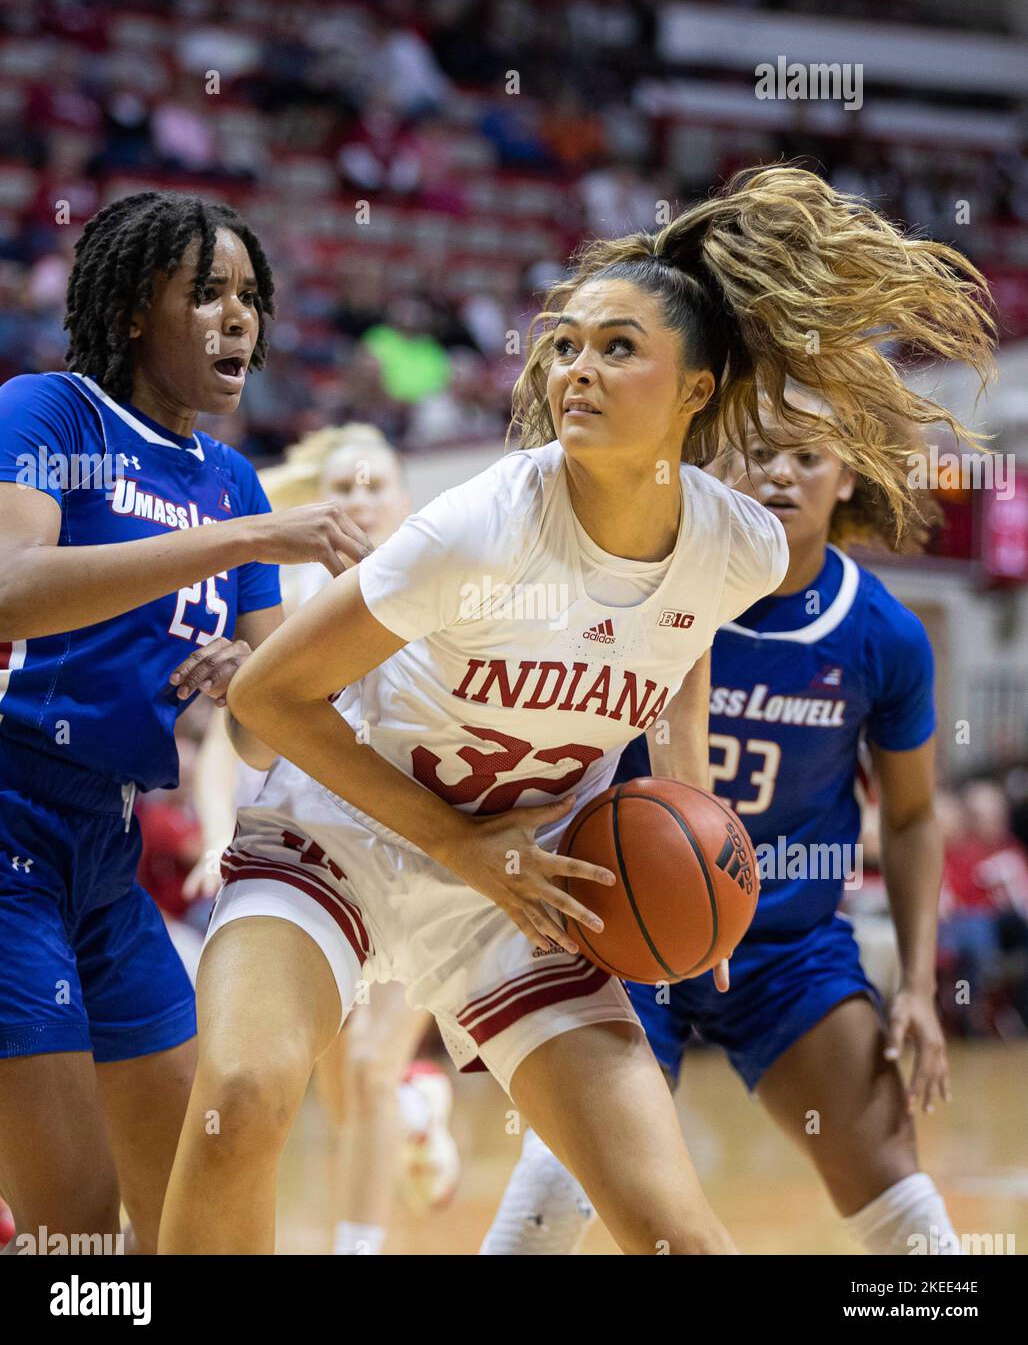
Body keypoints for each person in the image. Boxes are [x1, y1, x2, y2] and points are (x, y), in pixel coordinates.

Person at [158, 166, 993, 1255]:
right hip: (346, 829)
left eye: (615, 348)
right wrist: (464, 845)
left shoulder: (732, 543)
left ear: (694, 392)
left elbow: (681, 642)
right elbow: (273, 695)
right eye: (564, 344)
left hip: (528, 880)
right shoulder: (482, 526)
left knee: (674, 1234)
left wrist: (692, 812)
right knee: (241, 1098)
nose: (573, 369)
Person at [483, 393, 968, 1255]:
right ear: (718, 464)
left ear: (848, 471)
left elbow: (915, 815)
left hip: (789, 946)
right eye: (758, 451)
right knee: (562, 1183)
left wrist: (923, 989)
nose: (780, 472)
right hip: (624, 930)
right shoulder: (650, 593)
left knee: (900, 1191)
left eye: (806, 456)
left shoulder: (884, 635)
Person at [0, 190, 367, 1253]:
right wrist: (240, 537)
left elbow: (266, 734)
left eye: (249, 295)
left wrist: (246, 677)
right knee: (76, 1232)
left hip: (107, 850)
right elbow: (13, 587)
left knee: (193, 1212)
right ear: (129, 312)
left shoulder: (233, 480)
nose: (238, 317)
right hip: (7, 821)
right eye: (205, 293)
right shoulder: (49, 412)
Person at [186, 423, 460, 1256]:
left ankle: (356, 1246)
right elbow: (233, 754)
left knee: (372, 1068)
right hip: (321, 868)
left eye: (376, 483)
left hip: (425, 862)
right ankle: (417, 1113)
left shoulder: (450, 596)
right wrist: (210, 840)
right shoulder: (292, 613)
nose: (359, 497)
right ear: (321, 505)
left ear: (405, 503)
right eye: (342, 485)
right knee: (344, 1089)